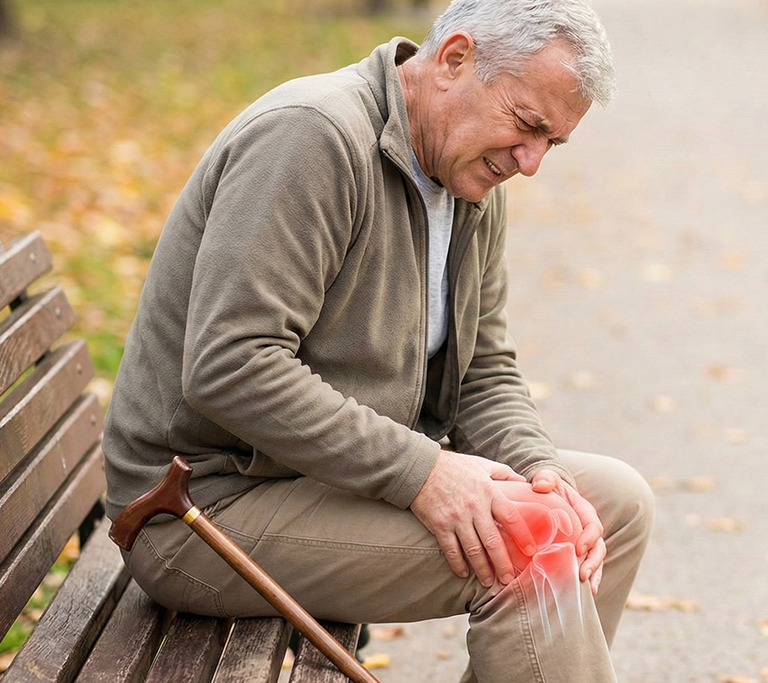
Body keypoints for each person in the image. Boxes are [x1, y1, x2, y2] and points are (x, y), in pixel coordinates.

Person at [103, 0, 654, 680]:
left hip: (322, 478)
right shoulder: (312, 139)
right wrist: (424, 473)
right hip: (198, 509)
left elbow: (483, 368)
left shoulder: (468, 171)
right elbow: (231, 365)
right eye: (528, 124)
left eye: (553, 142)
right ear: (455, 59)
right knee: (532, 548)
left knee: (611, 505)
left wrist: (541, 470)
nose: (531, 161)